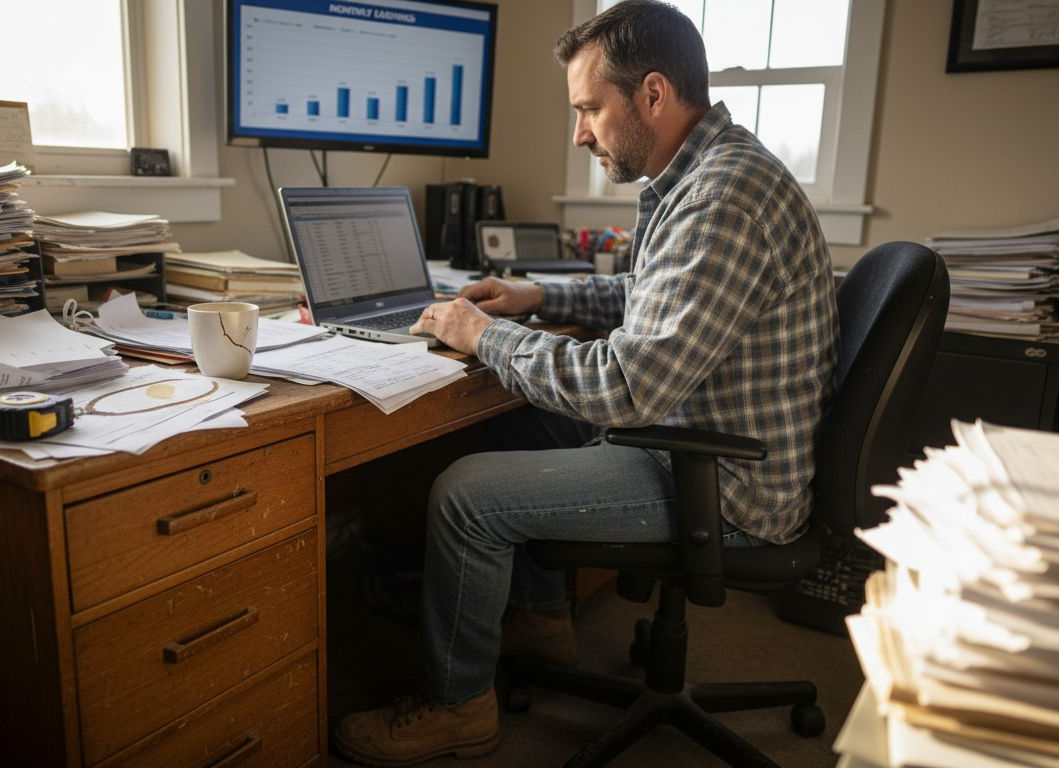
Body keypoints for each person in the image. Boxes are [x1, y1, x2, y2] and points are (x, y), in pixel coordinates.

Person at [332, 0, 840, 763]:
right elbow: (649, 296)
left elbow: (627, 389)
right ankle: (541, 624)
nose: (579, 133)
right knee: (513, 420)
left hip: (729, 486)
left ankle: (458, 707)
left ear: (654, 95)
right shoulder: (705, 171)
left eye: (588, 110)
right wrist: (538, 299)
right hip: (706, 440)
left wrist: (483, 334)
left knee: (465, 495)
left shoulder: (720, 200)